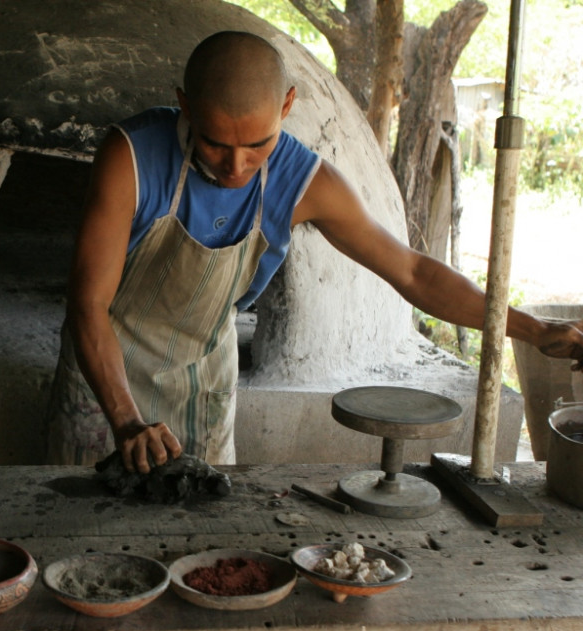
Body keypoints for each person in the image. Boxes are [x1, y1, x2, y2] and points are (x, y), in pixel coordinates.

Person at [43, 31, 583, 474]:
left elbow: (413, 272)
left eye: (258, 144)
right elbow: (88, 306)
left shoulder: (305, 183)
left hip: (202, 381)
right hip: (105, 380)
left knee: (199, 540)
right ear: (185, 105)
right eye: (214, 143)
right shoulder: (131, 157)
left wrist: (530, 330)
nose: (236, 167)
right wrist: (126, 419)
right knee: (91, 536)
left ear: (287, 106)